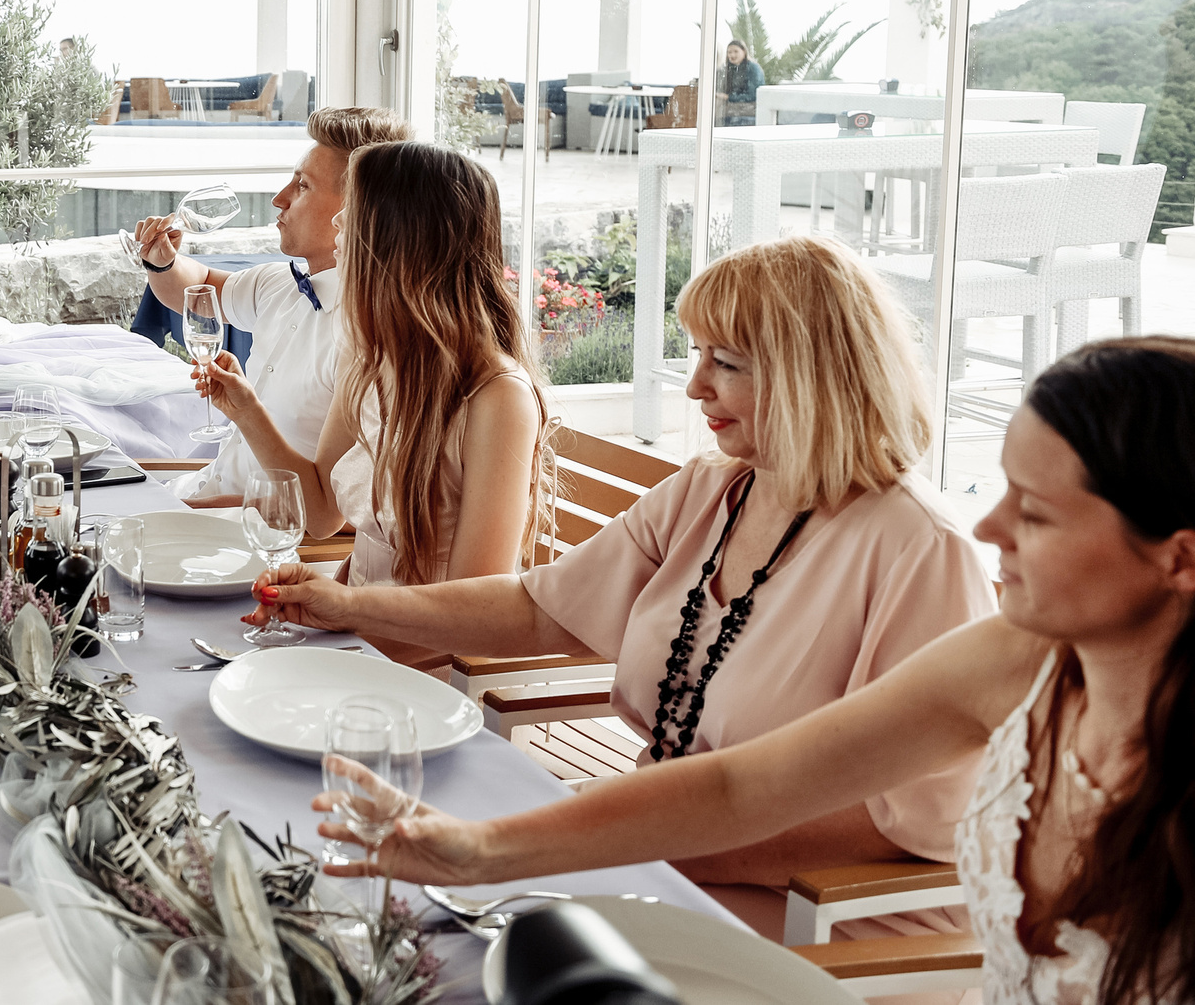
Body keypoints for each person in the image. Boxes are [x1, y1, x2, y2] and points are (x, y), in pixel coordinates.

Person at [337, 337, 1195, 1002]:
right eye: (1003, 488)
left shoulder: (918, 549)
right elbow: (741, 787)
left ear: (1180, 559)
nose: (990, 526)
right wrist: (472, 849)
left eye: (1035, 512)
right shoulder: (1021, 656)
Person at [249, 234, 998, 935]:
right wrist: (344, 603)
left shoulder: (921, 552)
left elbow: (905, 822)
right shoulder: (716, 489)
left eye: (728, 363)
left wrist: (618, 844)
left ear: (816, 375)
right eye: (696, 354)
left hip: (813, 916)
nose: (696, 385)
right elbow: (538, 606)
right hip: (663, 850)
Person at [199, 140, 550, 582]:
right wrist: (246, 411)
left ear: (402, 238)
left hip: (411, 647)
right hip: (354, 628)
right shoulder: (371, 361)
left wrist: (341, 611)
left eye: (356, 209)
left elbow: (475, 605)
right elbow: (322, 512)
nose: (339, 220)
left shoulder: (497, 398)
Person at [132, 107, 411, 492]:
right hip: (203, 489)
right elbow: (192, 290)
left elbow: (336, 513)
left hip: (250, 525)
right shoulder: (277, 284)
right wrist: (162, 263)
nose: (279, 199)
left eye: (302, 186)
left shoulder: (370, 340)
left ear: (357, 210)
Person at [720, 38, 764, 125]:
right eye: (729, 52)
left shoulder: (753, 68)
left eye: (736, 51)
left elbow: (753, 95)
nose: (732, 55)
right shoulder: (729, 69)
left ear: (744, 51)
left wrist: (728, 97)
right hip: (733, 110)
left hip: (749, 112)